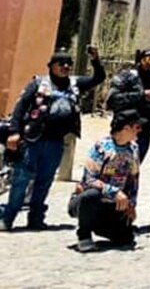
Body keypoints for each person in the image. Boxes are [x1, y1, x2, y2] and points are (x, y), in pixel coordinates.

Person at [3, 45, 106, 231]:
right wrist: (14, 132)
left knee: (45, 180)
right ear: (51, 66)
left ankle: (36, 218)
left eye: (68, 63)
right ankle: (8, 217)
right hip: (33, 139)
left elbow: (98, 78)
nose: (65, 66)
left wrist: (95, 59)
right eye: (61, 63)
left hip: (56, 142)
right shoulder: (38, 83)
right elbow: (20, 108)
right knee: (21, 179)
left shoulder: (75, 83)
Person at [71, 109, 143, 252]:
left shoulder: (134, 148)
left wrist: (131, 205)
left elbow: (133, 179)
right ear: (126, 128)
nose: (140, 131)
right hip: (90, 200)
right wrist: (115, 192)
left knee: (126, 239)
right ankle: (84, 235)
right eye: (137, 127)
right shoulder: (101, 147)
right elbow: (89, 180)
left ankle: (101, 227)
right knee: (91, 195)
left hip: (114, 204)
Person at [105, 48, 150, 170]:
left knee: (133, 170)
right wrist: (140, 95)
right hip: (124, 130)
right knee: (115, 168)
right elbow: (113, 100)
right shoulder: (127, 76)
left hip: (143, 134)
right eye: (147, 60)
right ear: (141, 61)